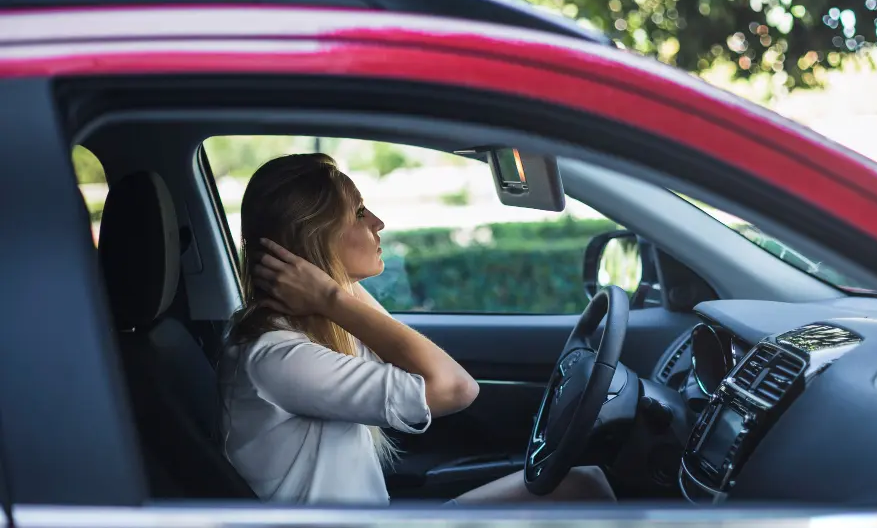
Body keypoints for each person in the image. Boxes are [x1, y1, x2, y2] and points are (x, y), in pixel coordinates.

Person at [219, 153, 616, 505]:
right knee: (585, 487)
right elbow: (457, 388)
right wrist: (329, 296)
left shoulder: (320, 322)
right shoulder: (278, 358)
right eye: (359, 213)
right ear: (315, 238)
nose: (379, 223)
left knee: (585, 482)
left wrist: (331, 289)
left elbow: (379, 327)